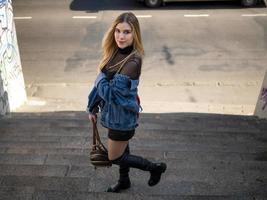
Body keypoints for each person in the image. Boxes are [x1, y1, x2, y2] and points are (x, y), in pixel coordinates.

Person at [86, 12, 167, 193]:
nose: (121, 36)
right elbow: (100, 88)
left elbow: (111, 94)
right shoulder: (113, 52)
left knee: (114, 157)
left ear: (134, 34)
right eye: (118, 31)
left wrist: (99, 78)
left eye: (127, 32)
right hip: (112, 115)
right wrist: (91, 107)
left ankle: (154, 168)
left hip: (122, 119)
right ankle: (124, 181)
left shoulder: (133, 62)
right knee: (124, 150)